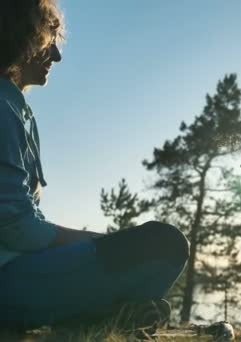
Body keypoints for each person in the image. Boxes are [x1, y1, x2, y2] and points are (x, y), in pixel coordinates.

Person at [0, 0, 189, 332]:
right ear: (19, 39)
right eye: (47, 42)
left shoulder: (17, 110)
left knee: (149, 248)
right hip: (9, 281)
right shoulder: (2, 109)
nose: (56, 56)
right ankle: (112, 319)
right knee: (165, 243)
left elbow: (24, 220)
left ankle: (101, 319)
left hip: (21, 274)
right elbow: (17, 228)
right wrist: (98, 243)